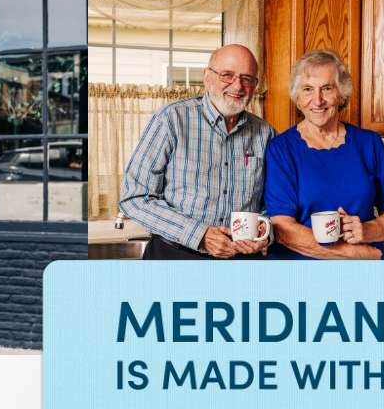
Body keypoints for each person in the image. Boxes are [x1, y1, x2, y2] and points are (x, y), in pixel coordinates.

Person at [117, 44, 273, 261]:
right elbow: (134, 197)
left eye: (247, 78)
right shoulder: (171, 119)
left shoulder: (266, 133)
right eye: (227, 75)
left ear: (255, 85)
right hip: (174, 257)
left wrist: (265, 233)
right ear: (207, 78)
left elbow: (273, 204)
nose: (238, 86)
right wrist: (200, 234)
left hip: (242, 262)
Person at [263, 49, 384, 260]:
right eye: (308, 89)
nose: (317, 100)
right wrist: (357, 253)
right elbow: (283, 229)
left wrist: (368, 230)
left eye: (327, 88)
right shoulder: (282, 149)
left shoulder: (369, 143)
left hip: (363, 275)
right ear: (298, 98)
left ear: (341, 94)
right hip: (300, 275)